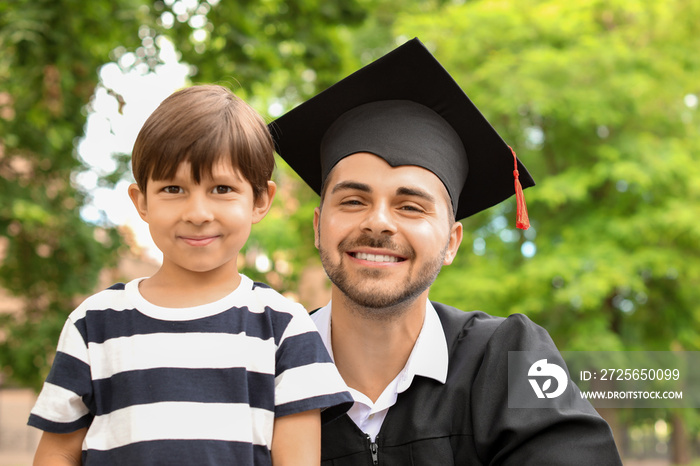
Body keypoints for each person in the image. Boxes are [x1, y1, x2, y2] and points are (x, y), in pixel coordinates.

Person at [269, 39, 623, 464]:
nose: (378, 222)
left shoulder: (506, 360)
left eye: (410, 206)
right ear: (317, 226)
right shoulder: (262, 367)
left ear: (452, 242)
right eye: (352, 201)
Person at [27, 84, 352, 465]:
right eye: (173, 188)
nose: (197, 213)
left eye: (222, 188)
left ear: (260, 200)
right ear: (141, 201)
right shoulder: (94, 324)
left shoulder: (283, 328)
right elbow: (58, 454)